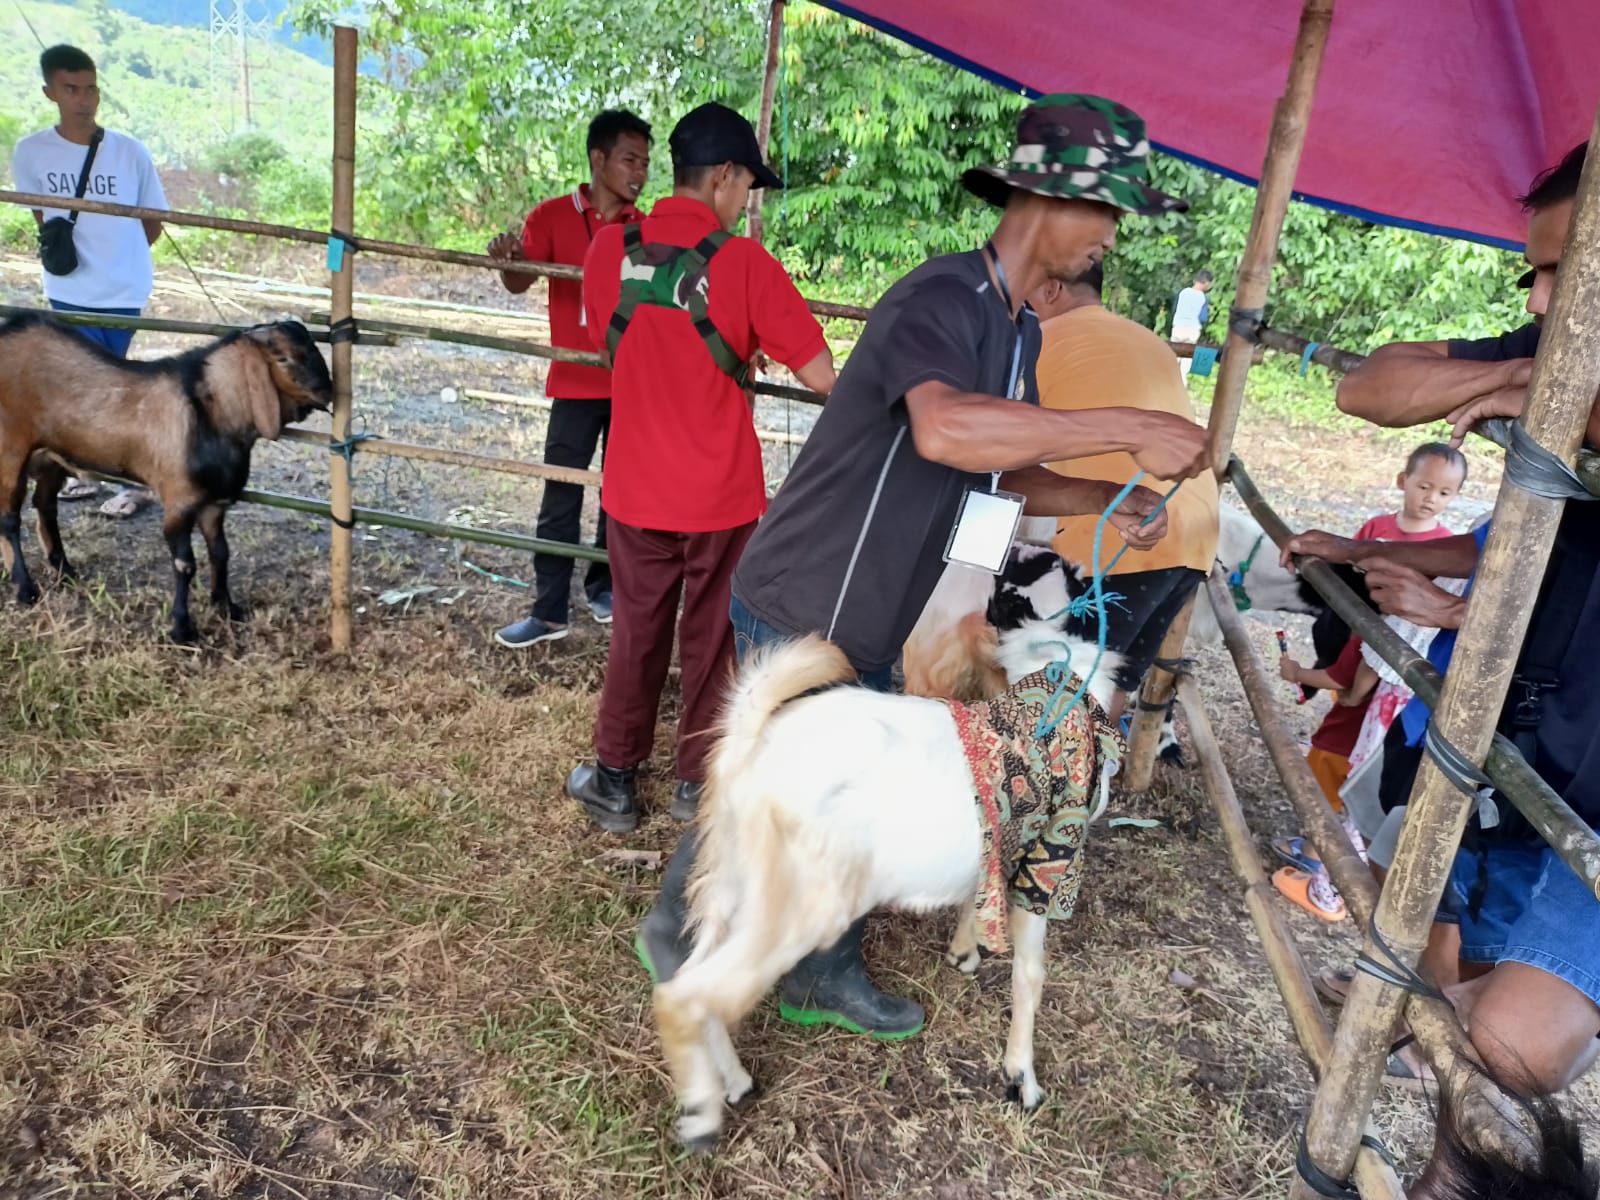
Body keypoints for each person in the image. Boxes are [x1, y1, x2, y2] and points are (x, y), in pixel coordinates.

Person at [636, 94, 1212, 1042]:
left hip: (876, 599)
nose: (1111, 234)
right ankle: (678, 930)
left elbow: (999, 466)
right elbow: (944, 428)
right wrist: (1125, 425)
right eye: (1104, 209)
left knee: (832, 786)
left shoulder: (1021, 331)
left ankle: (817, 967)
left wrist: (1107, 497)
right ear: (1045, 198)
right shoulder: (941, 297)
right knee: (767, 772)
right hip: (812, 586)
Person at [1284, 141, 1600, 1193]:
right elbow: (1372, 387)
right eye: (1540, 273)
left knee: (1515, 1043)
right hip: (1528, 740)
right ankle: (1439, 1156)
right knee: (1447, 969)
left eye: (1569, 268)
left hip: (1587, 785)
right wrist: (1525, 372)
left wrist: (1458, 597)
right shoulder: (1551, 343)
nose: (1545, 292)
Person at [563, 102, 836, 835]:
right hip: (719, 499)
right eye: (748, 185)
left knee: (636, 631)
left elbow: (602, 343)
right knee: (713, 640)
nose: (749, 201)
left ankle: (615, 780)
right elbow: (821, 373)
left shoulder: (605, 252)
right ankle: (696, 784)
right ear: (724, 176)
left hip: (633, 487)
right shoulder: (745, 265)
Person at [488, 110, 652, 648]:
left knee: (620, 494)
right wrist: (509, 259)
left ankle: (603, 589)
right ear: (598, 159)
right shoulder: (554, 216)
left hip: (629, 383)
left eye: (646, 163)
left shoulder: (644, 228)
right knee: (561, 495)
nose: (640, 172)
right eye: (630, 160)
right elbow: (520, 280)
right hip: (574, 384)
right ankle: (548, 610)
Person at [1027, 263, 1220, 720]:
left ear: (1051, 288)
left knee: (1061, 688)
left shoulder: (1040, 339)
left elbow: (1000, 441)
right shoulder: (1147, 338)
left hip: (1123, 532)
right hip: (1193, 531)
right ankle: (1091, 784)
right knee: (1111, 681)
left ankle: (1057, 786)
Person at [11, 44, 166, 518]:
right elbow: (44, 220)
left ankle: (130, 478)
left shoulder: (129, 152)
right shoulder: (31, 152)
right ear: (49, 92)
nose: (83, 99)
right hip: (69, 290)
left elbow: (153, 221)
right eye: (71, 89)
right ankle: (87, 470)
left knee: (113, 386)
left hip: (120, 290)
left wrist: (118, 257)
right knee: (79, 390)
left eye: (90, 88)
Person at [1171, 268, 1212, 378]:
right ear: (1207, 283)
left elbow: (1175, 309)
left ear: (1195, 280)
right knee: (1185, 364)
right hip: (1192, 331)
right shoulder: (1203, 298)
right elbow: (1203, 318)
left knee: (1173, 358)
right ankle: (1182, 385)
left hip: (1178, 327)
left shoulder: (1182, 292)